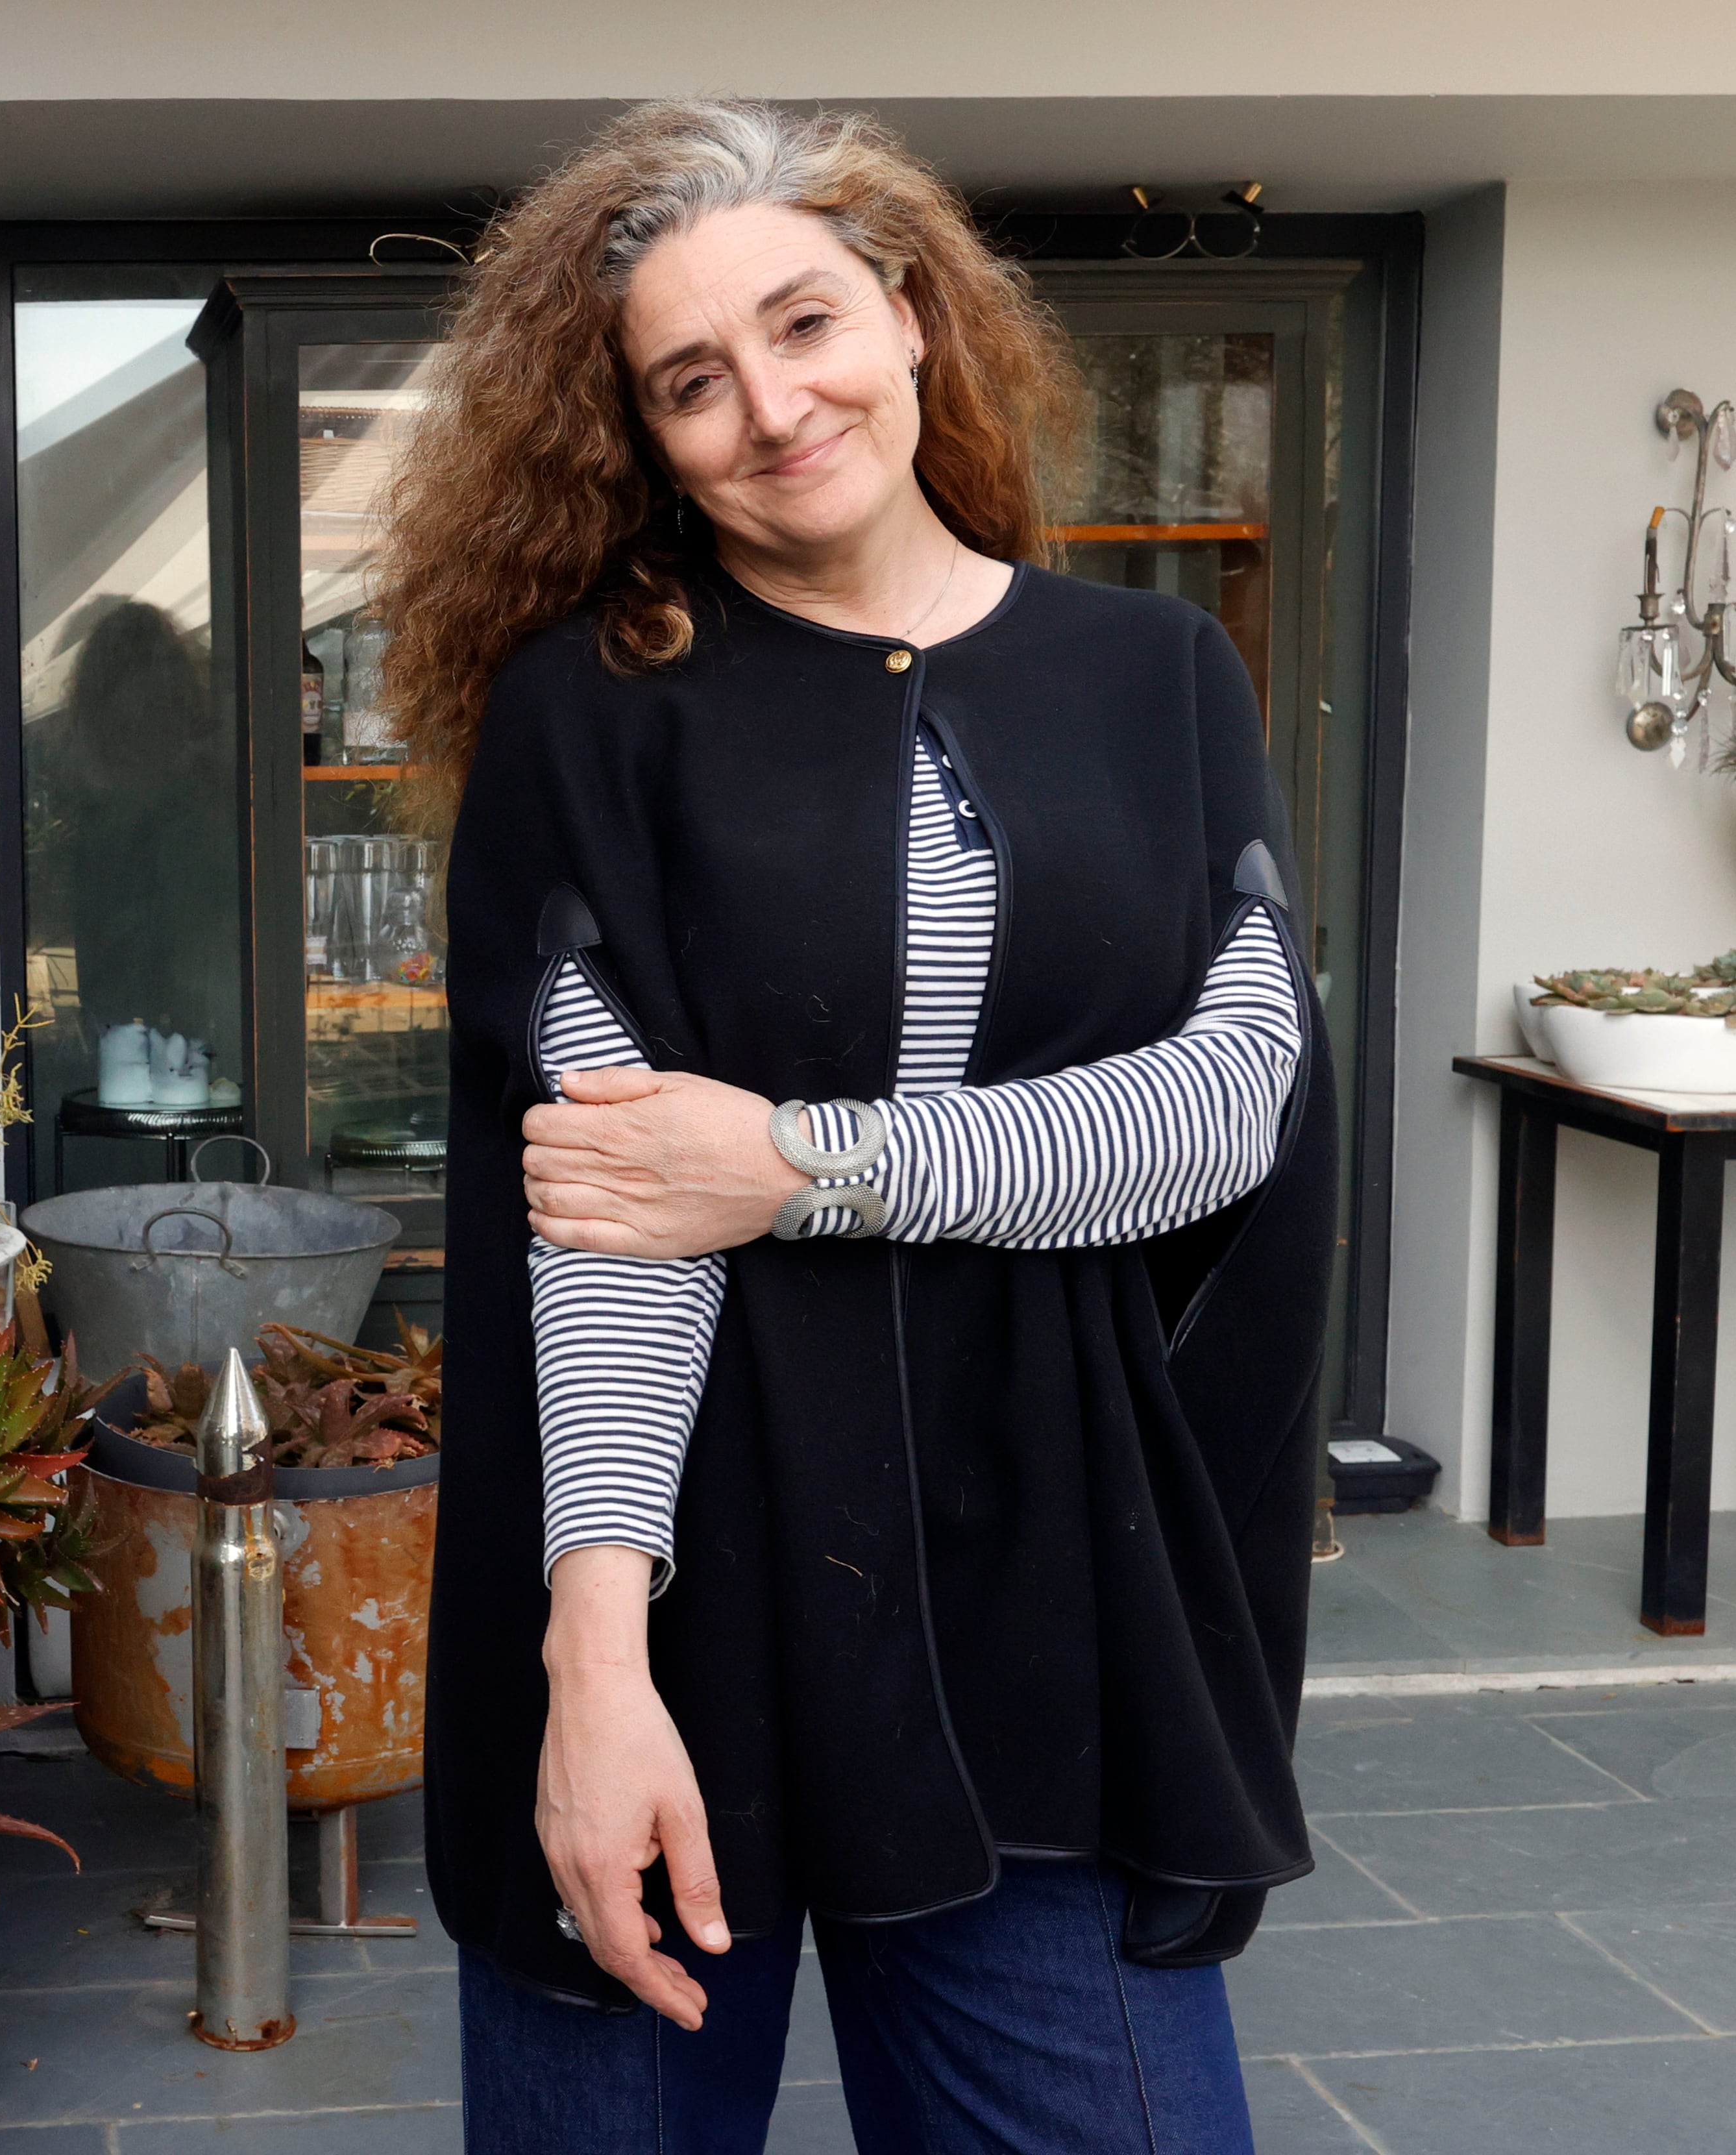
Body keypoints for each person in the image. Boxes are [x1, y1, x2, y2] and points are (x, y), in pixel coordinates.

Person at [383, 101, 1335, 2154]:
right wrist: (596, 1669)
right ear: (642, 436)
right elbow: (612, 1208)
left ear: (909, 317)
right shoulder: (595, 710)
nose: (771, 407)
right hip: (685, 1572)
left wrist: (803, 1163)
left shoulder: (1156, 677)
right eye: (690, 382)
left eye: (805, 324)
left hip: (1043, 1581)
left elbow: (1228, 1103)